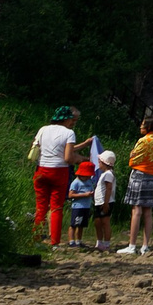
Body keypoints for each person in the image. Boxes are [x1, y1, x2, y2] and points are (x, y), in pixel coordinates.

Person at [29, 107, 94, 247]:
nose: (73, 122)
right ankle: (55, 242)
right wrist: (83, 159)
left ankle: (36, 239)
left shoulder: (43, 129)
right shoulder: (69, 133)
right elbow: (68, 157)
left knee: (41, 207)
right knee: (56, 207)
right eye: (72, 120)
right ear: (66, 118)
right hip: (59, 172)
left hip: (40, 170)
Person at [117, 114, 153, 256]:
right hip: (151, 175)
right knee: (148, 211)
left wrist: (132, 156)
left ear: (148, 126)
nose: (141, 126)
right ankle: (145, 246)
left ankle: (132, 245)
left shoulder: (144, 140)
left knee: (136, 210)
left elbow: (133, 158)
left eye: (143, 124)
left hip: (139, 174)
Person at [91, 149, 118, 249]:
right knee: (97, 222)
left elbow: (108, 188)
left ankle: (106, 243)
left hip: (105, 202)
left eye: (100, 162)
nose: (98, 164)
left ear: (105, 163)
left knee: (105, 222)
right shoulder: (105, 174)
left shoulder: (108, 174)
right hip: (99, 202)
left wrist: (106, 203)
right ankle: (99, 242)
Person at [67, 161, 95, 249]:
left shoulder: (89, 181)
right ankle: (71, 241)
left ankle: (79, 241)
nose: (87, 177)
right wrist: (84, 195)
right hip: (77, 207)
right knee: (74, 224)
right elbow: (70, 195)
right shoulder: (76, 183)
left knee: (81, 225)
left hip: (86, 206)